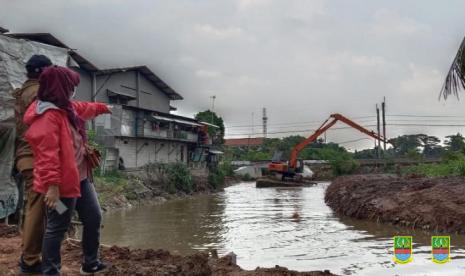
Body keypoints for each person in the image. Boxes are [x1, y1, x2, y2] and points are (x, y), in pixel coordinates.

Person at [23, 66, 111, 275]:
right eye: (71, 86)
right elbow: (47, 157)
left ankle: (90, 262)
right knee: (57, 226)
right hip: (60, 186)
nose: (73, 90)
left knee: (93, 217)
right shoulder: (47, 116)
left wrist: (103, 107)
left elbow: (83, 107)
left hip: (80, 178)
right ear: (60, 87)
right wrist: (52, 187)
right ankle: (51, 271)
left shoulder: (65, 108)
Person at [12, 54, 52, 274]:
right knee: (37, 207)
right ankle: (29, 260)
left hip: (25, 156)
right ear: (42, 72)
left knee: (37, 205)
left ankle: (33, 253)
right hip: (36, 157)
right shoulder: (38, 93)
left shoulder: (22, 92)